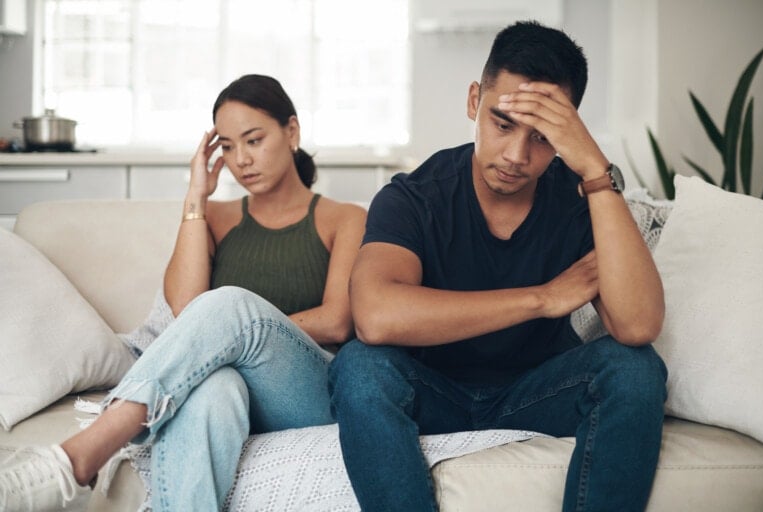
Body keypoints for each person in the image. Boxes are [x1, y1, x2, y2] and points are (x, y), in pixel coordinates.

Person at [328, 20, 668, 512]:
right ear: (474, 102)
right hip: (433, 393)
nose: (516, 155)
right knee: (359, 367)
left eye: (542, 136)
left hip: (539, 391)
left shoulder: (582, 200)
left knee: (634, 369)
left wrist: (595, 170)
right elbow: (376, 317)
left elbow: (637, 325)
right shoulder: (414, 196)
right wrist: (541, 298)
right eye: (502, 123)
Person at [0, 74, 366, 511]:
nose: (241, 159)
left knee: (229, 306)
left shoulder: (344, 218)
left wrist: (244, 329)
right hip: (230, 386)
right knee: (215, 387)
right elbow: (186, 309)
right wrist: (196, 196)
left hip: (306, 388)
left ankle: (81, 455)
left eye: (253, 140)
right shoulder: (213, 217)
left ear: (292, 132)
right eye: (227, 147)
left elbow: (337, 321)